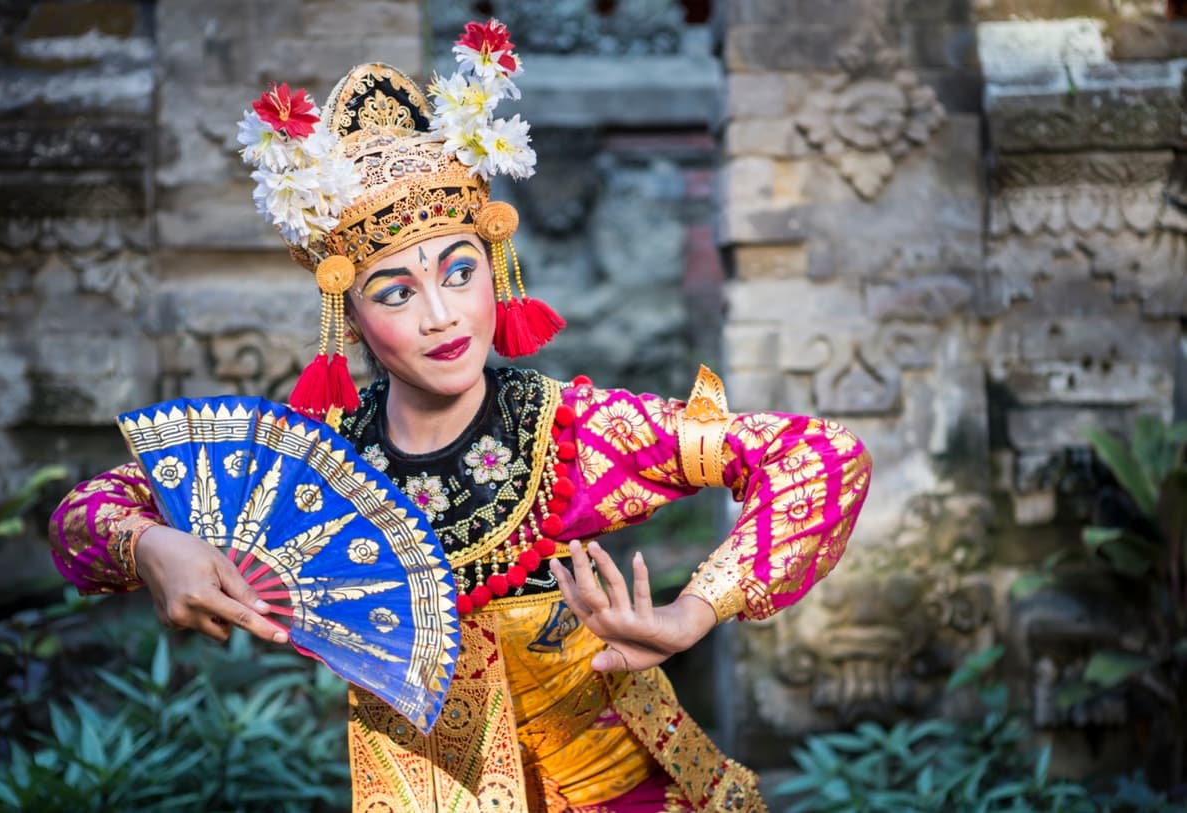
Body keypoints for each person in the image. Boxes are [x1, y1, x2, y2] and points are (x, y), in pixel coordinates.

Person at [47, 22, 871, 813]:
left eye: (460, 270)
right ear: (353, 318)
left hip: (625, 792)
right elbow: (82, 517)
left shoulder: (571, 436)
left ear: (494, 269)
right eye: (396, 291)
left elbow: (822, 457)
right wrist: (154, 545)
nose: (443, 315)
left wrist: (692, 612)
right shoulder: (312, 468)